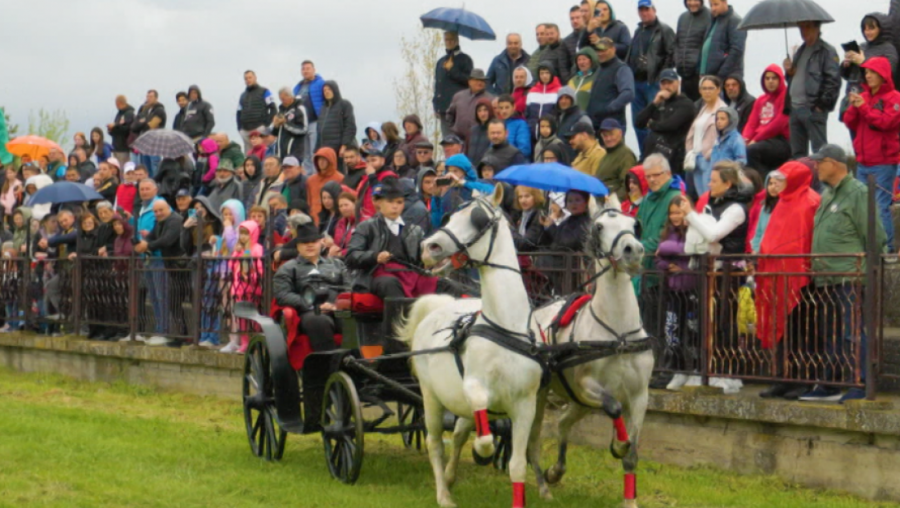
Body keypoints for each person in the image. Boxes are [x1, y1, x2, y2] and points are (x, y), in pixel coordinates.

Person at [803, 145, 885, 402]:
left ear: (835, 163)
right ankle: (830, 383)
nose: (816, 167)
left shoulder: (857, 192)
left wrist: (867, 271)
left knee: (853, 332)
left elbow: (875, 236)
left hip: (850, 277)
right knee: (832, 333)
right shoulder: (827, 194)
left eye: (820, 162)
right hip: (826, 277)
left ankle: (860, 384)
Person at [754, 163, 821, 375]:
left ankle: (800, 376)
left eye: (783, 179)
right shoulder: (783, 202)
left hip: (799, 278)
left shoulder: (809, 202)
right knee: (778, 328)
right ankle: (781, 376)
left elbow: (804, 238)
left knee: (798, 330)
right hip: (776, 274)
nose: (778, 185)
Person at [843, 56, 900, 251]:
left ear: (883, 75)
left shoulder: (895, 98)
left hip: (884, 163)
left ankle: (887, 249)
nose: (868, 76)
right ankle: (869, 248)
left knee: (880, 207)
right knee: (863, 208)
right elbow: (848, 121)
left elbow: (886, 123)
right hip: (863, 162)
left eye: (872, 72)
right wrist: (854, 105)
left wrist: (864, 108)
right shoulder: (864, 97)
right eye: (866, 72)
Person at [345, 178, 436, 299]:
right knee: (389, 284)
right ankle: (400, 317)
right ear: (380, 203)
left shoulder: (415, 230)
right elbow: (351, 256)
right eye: (390, 202)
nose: (395, 207)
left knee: (441, 284)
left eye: (399, 202)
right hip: (376, 275)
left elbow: (421, 262)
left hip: (410, 275)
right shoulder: (366, 227)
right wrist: (374, 256)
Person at [274, 218, 350, 355]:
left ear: (321, 243)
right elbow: (283, 295)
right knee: (319, 321)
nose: (309, 245)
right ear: (297, 245)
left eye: (313, 242)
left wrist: (337, 304)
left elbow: (349, 288)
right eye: (304, 243)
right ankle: (330, 367)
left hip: (337, 308)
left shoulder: (338, 265)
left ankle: (360, 364)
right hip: (309, 311)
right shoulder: (288, 268)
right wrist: (311, 305)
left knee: (355, 320)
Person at [652, 194, 700, 387]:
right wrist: (667, 265)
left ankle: (696, 368)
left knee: (693, 330)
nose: (675, 217)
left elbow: (691, 253)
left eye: (678, 212)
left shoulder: (694, 231)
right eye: (672, 213)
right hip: (673, 290)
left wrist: (666, 250)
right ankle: (675, 369)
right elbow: (658, 259)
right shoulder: (668, 232)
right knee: (672, 331)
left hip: (691, 290)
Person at [784, 21, 841, 158]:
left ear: (817, 28)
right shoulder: (800, 50)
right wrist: (788, 72)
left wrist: (821, 106)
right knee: (797, 154)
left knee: (820, 152)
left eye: (808, 27)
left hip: (812, 108)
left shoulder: (827, 51)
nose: (804, 31)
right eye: (801, 27)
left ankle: (821, 180)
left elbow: (833, 81)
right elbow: (794, 78)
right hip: (795, 108)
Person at [133, 200, 187, 345]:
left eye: (160, 210)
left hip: (173, 265)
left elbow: (167, 240)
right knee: (156, 298)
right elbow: (152, 236)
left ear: (168, 208)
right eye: (155, 211)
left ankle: (165, 330)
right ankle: (159, 329)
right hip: (162, 262)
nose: (158, 213)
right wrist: (141, 244)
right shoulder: (160, 221)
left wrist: (147, 245)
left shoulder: (175, 220)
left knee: (164, 298)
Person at [626, 0, 675, 153]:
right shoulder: (638, 31)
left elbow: (672, 53)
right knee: (638, 122)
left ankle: (656, 154)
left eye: (647, 9)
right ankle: (644, 153)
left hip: (653, 83)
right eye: (641, 10)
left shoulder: (664, 30)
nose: (644, 13)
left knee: (654, 120)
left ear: (654, 10)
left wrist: (662, 76)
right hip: (637, 82)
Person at [636, 69, 695, 177]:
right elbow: (639, 122)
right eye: (664, 83)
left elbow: (670, 125)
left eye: (670, 83)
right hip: (651, 154)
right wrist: (654, 103)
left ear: (678, 83)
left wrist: (652, 124)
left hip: (673, 159)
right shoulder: (659, 103)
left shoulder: (686, 104)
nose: (667, 86)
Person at [841, 14, 899, 111]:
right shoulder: (862, 47)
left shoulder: (888, 49)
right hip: (854, 95)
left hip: (875, 101)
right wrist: (846, 65)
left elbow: (889, 73)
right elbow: (848, 76)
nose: (867, 32)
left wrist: (863, 62)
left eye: (871, 28)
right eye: (865, 29)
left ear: (881, 29)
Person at [743, 65, 792, 175]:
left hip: (781, 140)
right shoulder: (760, 100)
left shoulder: (786, 96)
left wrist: (755, 140)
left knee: (751, 151)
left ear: (780, 79)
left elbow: (779, 123)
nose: (770, 81)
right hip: (761, 141)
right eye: (767, 78)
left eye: (774, 78)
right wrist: (744, 140)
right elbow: (751, 124)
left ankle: (765, 184)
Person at [686, 76, 727, 196]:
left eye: (711, 88)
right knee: (701, 197)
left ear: (718, 90)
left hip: (709, 160)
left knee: (709, 195)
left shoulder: (723, 110)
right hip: (696, 158)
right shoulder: (703, 108)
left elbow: (724, 137)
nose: (707, 91)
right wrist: (690, 151)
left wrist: (710, 153)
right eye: (704, 88)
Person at [429, 154, 494, 228]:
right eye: (449, 171)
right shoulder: (448, 193)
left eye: (455, 171)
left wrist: (464, 183)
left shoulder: (479, 183)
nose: (451, 174)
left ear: (466, 172)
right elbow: (437, 223)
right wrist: (436, 198)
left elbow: (492, 191)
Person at [587, 37, 634, 133]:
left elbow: (628, 93)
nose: (600, 54)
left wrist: (609, 108)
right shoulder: (599, 68)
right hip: (596, 124)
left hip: (612, 125)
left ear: (613, 49)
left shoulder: (621, 68)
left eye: (604, 50)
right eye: (598, 51)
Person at [434, 31, 474, 137]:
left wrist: (452, 70)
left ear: (457, 40)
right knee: (447, 141)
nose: (449, 42)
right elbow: (438, 84)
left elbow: (469, 81)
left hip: (459, 108)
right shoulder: (441, 61)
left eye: (451, 39)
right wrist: (436, 105)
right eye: (447, 39)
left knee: (459, 140)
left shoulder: (465, 59)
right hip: (443, 108)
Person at [698, 0, 746, 80]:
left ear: (725, 2)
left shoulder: (735, 20)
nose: (713, 8)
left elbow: (737, 50)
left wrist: (721, 75)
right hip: (708, 77)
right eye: (711, 5)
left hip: (725, 78)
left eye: (716, 4)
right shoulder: (713, 20)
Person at [675, 0, 712, 102]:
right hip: (684, 74)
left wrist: (701, 69)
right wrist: (677, 62)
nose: (692, 3)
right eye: (689, 0)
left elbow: (709, 46)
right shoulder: (682, 18)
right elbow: (677, 43)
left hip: (700, 75)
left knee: (700, 111)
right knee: (686, 113)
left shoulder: (709, 16)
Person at [446, 69, 494, 142]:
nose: (479, 82)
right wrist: (452, 128)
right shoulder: (458, 96)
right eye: (476, 80)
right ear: (469, 82)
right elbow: (450, 114)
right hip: (458, 139)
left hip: (479, 139)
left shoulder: (491, 99)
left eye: (482, 80)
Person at [596, 119, 637, 200]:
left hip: (614, 207)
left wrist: (613, 203)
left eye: (611, 134)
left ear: (620, 133)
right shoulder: (605, 156)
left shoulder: (626, 155)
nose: (608, 139)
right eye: (605, 135)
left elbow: (627, 186)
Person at [237, 70, 277, 152]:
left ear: (255, 78)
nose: (248, 80)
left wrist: (266, 124)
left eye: (250, 77)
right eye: (246, 78)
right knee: (249, 156)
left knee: (263, 152)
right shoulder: (243, 95)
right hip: (245, 130)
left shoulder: (264, 91)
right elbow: (239, 112)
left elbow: (273, 108)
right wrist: (239, 128)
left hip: (259, 128)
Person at [316, 81, 356, 159]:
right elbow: (319, 130)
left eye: (329, 89)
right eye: (324, 90)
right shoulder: (323, 108)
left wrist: (344, 145)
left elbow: (350, 126)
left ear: (335, 90)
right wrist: (316, 150)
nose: (326, 92)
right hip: (324, 150)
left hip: (338, 150)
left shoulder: (344, 104)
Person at [131, 90, 166, 177]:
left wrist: (142, 122)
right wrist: (143, 122)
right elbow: (134, 127)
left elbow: (150, 126)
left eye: (151, 97)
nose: (148, 99)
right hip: (144, 143)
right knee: (145, 167)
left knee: (155, 166)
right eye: (147, 97)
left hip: (154, 143)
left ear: (156, 98)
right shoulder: (144, 110)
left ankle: (156, 185)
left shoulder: (159, 111)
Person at [525, 62, 563, 141]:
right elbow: (527, 113)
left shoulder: (559, 91)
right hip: (532, 133)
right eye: (541, 73)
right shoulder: (532, 91)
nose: (544, 76)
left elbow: (560, 114)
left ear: (552, 74)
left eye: (547, 73)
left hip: (550, 135)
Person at [356, 149, 398, 220]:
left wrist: (372, 176)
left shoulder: (389, 177)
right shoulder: (367, 177)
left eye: (373, 160)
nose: (370, 164)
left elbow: (380, 194)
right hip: (365, 217)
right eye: (368, 161)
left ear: (382, 160)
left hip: (379, 218)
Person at [306, 147, 344, 224]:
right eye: (319, 159)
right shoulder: (311, 180)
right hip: (314, 220)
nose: (321, 162)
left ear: (331, 161)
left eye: (324, 159)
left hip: (332, 220)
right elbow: (309, 202)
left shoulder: (340, 178)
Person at [556, 86, 593, 160]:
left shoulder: (581, 118)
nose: (563, 101)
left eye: (567, 98)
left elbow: (589, 144)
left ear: (573, 100)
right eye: (561, 98)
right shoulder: (558, 117)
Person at [274, 87, 309, 161]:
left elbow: (303, 129)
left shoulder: (299, 108)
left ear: (290, 96)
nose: (282, 101)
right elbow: (275, 133)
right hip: (280, 153)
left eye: (283, 99)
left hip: (294, 152)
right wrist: (275, 125)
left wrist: (285, 123)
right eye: (280, 99)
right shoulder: (281, 110)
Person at [511, 185, 545, 252]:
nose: (523, 200)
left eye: (527, 196)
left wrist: (510, 230)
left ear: (535, 197)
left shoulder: (539, 216)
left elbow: (525, 245)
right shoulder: (521, 215)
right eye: (520, 197)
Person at [568, 47, 600, 111]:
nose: (581, 62)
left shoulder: (597, 78)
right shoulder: (572, 81)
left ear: (592, 60)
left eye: (584, 59)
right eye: (579, 60)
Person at [107, 96, 135, 168]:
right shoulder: (119, 114)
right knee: (116, 168)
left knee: (122, 167)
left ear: (119, 103)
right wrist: (111, 130)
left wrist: (115, 126)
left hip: (123, 146)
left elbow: (127, 129)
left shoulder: (129, 114)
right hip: (116, 145)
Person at [332, 192, 359, 257]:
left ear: (355, 204)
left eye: (346, 205)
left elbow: (359, 246)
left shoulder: (361, 222)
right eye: (341, 206)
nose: (343, 208)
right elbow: (337, 243)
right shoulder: (340, 223)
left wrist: (342, 253)